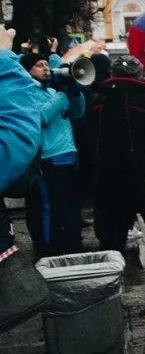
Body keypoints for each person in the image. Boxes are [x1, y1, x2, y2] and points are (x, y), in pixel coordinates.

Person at [83, 55, 145, 329]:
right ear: (139, 75)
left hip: (111, 183)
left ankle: (108, 310)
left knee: (111, 246)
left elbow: (87, 137)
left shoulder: (98, 102)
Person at [20, 50, 87, 257]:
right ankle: (49, 248)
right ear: (27, 70)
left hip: (68, 154)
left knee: (70, 203)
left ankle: (71, 241)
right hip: (48, 157)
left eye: (46, 64)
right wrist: (62, 94)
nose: (46, 68)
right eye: (40, 65)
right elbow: (41, 116)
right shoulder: (28, 91)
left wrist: (75, 93)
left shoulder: (51, 91)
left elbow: (78, 112)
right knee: (51, 206)